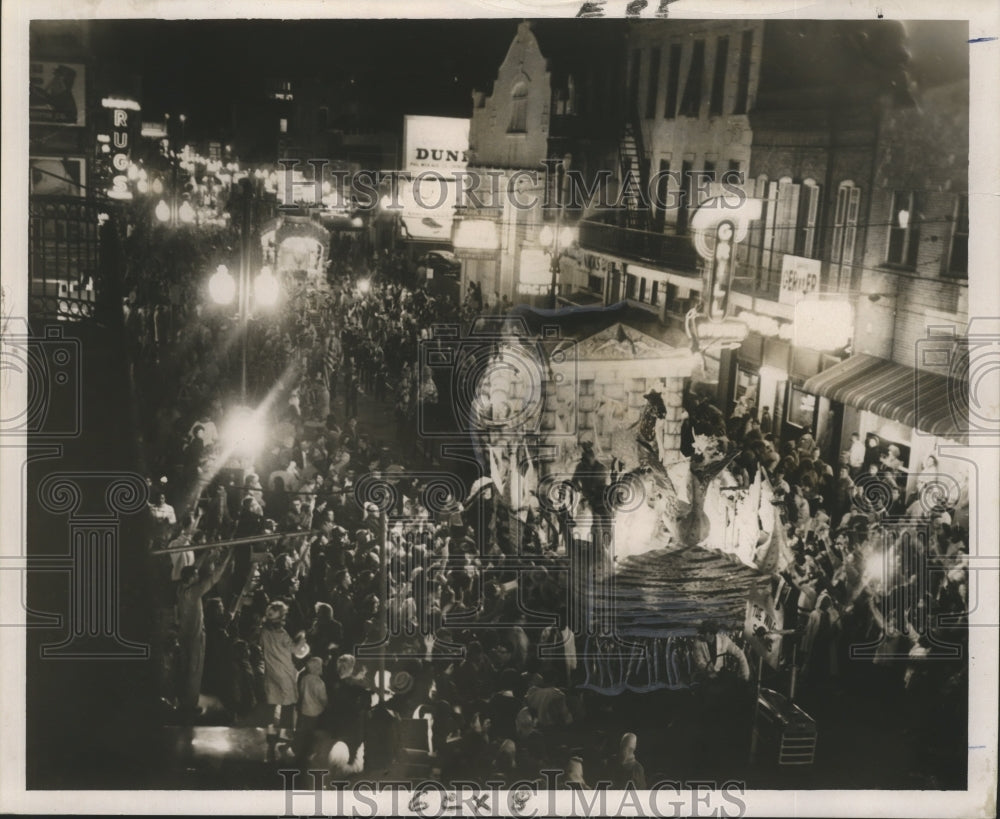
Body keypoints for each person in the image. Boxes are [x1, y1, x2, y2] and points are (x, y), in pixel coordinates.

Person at [175, 550, 233, 716]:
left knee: (185, 669)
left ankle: (183, 701)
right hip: (195, 637)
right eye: (195, 575)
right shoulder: (194, 593)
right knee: (194, 670)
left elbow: (193, 568)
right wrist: (227, 558)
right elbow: (214, 578)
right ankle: (190, 706)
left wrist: (207, 554)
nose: (198, 576)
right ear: (191, 578)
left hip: (184, 635)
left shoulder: (181, 589)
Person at [260, 601, 300, 742]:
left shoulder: (264, 632)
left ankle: (270, 732)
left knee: (271, 703)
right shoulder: (282, 634)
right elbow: (295, 650)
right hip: (285, 672)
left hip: (271, 671)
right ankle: (284, 733)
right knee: (287, 704)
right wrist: (302, 640)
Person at [295, 657, 327, 765]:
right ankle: (310, 754)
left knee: (304, 732)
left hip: (304, 710)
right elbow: (323, 699)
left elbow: (300, 693)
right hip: (315, 712)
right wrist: (326, 705)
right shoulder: (319, 683)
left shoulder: (304, 678)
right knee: (312, 733)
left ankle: (300, 752)